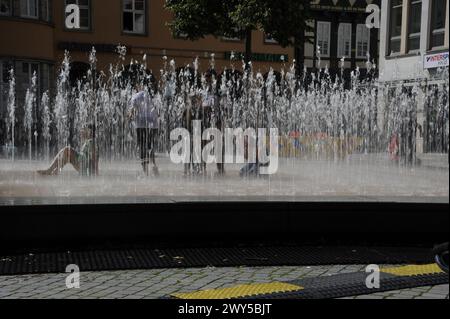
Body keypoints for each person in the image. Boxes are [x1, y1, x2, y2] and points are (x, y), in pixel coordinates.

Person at [129, 85, 159, 177]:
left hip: (141, 125)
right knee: (150, 146)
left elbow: (132, 111)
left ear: (137, 86)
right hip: (153, 125)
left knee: (142, 147)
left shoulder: (135, 96)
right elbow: (157, 111)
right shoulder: (151, 96)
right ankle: (153, 164)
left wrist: (129, 117)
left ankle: (146, 172)